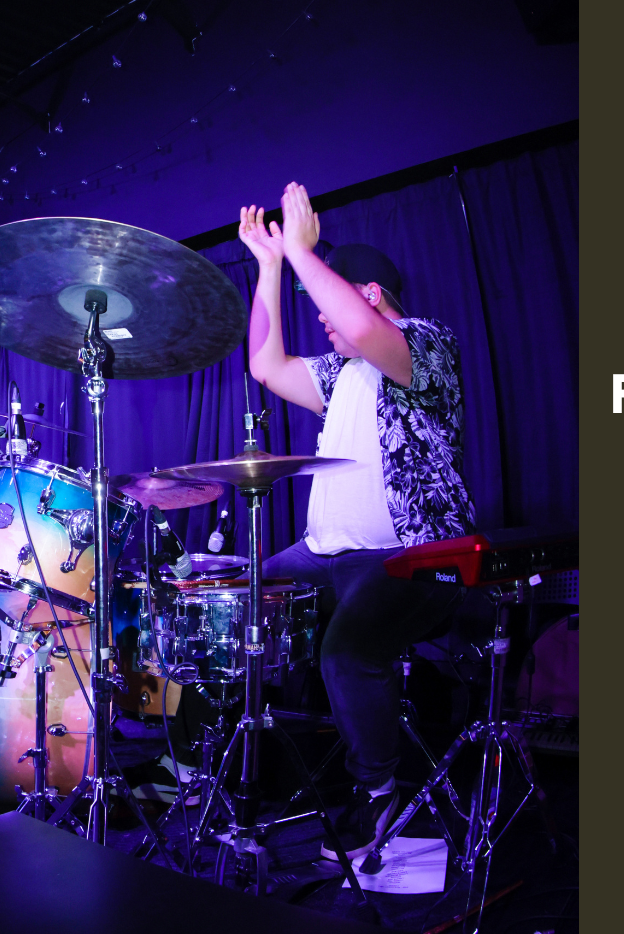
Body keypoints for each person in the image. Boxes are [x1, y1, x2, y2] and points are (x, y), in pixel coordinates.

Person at [239, 182, 475, 860]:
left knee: (346, 652)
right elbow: (266, 364)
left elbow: (371, 333)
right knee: (228, 597)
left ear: (369, 293)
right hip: (323, 553)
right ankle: (222, 768)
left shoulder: (425, 344)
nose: (320, 317)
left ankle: (380, 796)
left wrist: (305, 253)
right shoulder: (340, 374)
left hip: (415, 556)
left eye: (331, 301)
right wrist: (272, 266)